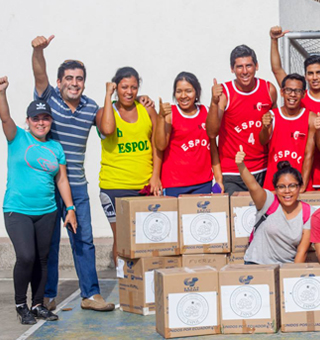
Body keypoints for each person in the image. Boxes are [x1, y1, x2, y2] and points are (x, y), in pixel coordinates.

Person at [31, 35, 115, 311]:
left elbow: (108, 128)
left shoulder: (91, 107)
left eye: (79, 78)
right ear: (59, 82)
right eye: (69, 78)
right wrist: (38, 51)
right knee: (49, 244)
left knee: (84, 241)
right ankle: (48, 295)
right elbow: (39, 72)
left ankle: (91, 295)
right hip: (47, 187)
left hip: (77, 187)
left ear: (83, 83)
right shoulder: (49, 99)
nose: (74, 83)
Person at [0, 77, 75, 324]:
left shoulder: (56, 147)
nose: (40, 122)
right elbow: (4, 118)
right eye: (35, 119)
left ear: (50, 121)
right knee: (26, 257)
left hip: (47, 211)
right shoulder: (17, 138)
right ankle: (21, 305)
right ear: (28, 121)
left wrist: (70, 209)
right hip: (17, 210)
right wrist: (1, 93)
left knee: (43, 259)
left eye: (45, 118)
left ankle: (38, 304)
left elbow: (62, 181)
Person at [98, 67, 161, 269]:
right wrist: (108, 96)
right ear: (116, 87)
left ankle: (144, 288)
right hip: (115, 186)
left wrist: (155, 177)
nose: (129, 91)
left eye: (134, 87)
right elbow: (107, 129)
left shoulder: (147, 109)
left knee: (148, 239)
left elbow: (157, 145)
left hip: (144, 186)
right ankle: (125, 288)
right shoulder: (105, 112)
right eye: (124, 87)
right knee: (122, 240)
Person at [270, 26, 320, 190]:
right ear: (306, 75)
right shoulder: (298, 96)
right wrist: (273, 40)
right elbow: (277, 70)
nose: (315, 77)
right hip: (299, 174)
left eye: (319, 73)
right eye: (311, 73)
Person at [207, 45, 278, 194]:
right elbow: (212, 133)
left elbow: (273, 131)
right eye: (239, 67)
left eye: (248, 66)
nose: (245, 71)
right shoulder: (224, 93)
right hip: (233, 172)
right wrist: (214, 103)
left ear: (256, 66)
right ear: (232, 69)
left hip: (263, 169)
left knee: (266, 216)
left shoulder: (268, 89)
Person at [237, 143, 312, 264]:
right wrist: (241, 166)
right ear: (276, 189)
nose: (287, 191)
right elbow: (253, 186)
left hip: (285, 268)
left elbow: (302, 252)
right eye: (281, 187)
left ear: (300, 187)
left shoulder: (308, 212)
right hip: (256, 264)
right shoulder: (268, 202)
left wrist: (292, 276)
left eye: (292, 186)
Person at [154, 72, 220, 197]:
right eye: (179, 91)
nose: (183, 96)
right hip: (174, 184)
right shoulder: (170, 113)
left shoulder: (206, 111)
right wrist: (161, 118)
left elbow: (213, 148)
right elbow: (160, 145)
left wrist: (219, 178)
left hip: (203, 183)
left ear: (196, 92)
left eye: (188, 91)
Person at [261, 73, 316, 191]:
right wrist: (265, 127)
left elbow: (309, 155)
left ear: (303, 94)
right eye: (289, 90)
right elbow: (262, 141)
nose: (292, 94)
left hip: (299, 182)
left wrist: (303, 185)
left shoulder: (310, 117)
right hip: (274, 183)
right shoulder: (272, 116)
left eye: (297, 91)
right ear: (282, 92)